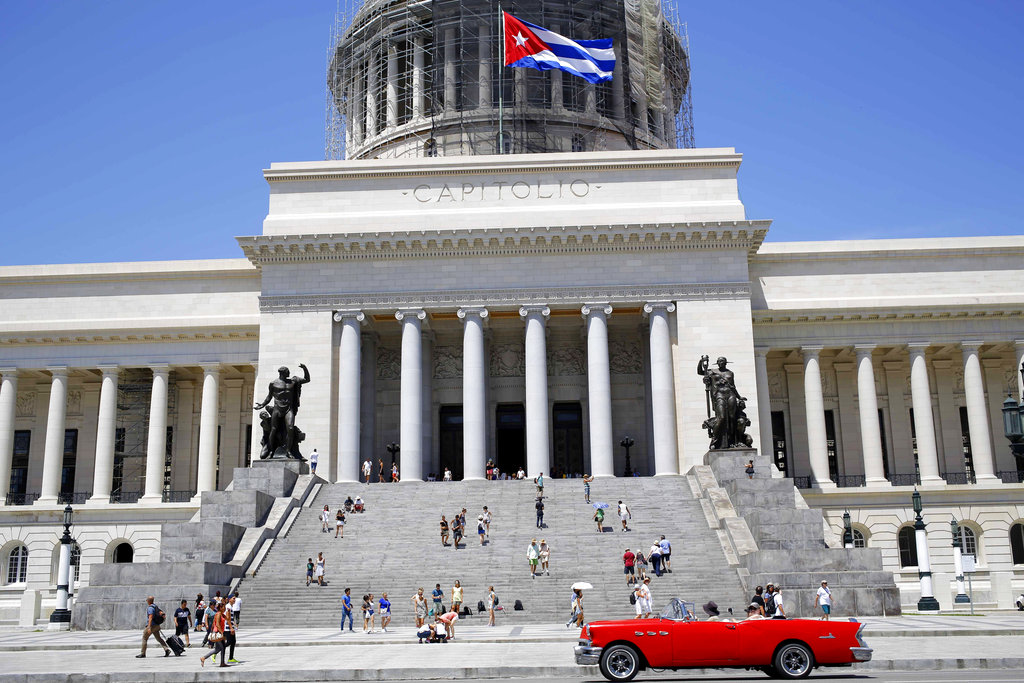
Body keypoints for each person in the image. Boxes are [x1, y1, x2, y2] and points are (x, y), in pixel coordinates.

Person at [198, 602, 228, 668]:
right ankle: (222, 663)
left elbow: (227, 619)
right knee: (222, 647)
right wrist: (221, 633)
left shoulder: (221, 614)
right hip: (218, 633)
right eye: (224, 607)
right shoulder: (218, 614)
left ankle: (203, 658)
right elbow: (217, 624)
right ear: (220, 608)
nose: (225, 608)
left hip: (218, 632)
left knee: (217, 649)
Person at [223, 595, 238, 664]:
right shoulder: (228, 607)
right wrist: (231, 628)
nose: (235, 600)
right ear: (229, 599)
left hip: (230, 627)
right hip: (228, 628)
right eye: (233, 598)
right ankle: (216, 651)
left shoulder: (230, 607)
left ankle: (231, 658)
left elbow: (229, 618)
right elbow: (227, 618)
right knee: (229, 642)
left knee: (233, 642)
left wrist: (233, 623)